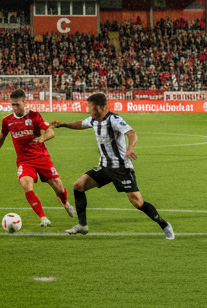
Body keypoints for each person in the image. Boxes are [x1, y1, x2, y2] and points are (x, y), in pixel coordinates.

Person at [52, 93, 174, 239]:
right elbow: (81, 124)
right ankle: (82, 225)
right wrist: (63, 124)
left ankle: (164, 224)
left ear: (103, 107)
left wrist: (130, 148)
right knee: (78, 186)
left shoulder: (114, 120)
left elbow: (131, 133)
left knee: (137, 202)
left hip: (121, 168)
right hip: (104, 167)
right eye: (89, 108)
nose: (90, 112)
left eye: (92, 108)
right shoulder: (93, 120)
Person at [0, 89, 75, 228]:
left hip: (42, 157)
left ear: (24, 102)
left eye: (17, 104)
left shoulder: (34, 116)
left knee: (59, 188)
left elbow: (50, 130)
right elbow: (2, 136)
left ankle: (65, 203)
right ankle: (43, 218)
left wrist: (42, 138)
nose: (14, 108)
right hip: (24, 161)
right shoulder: (7, 121)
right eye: (12, 105)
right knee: (27, 186)